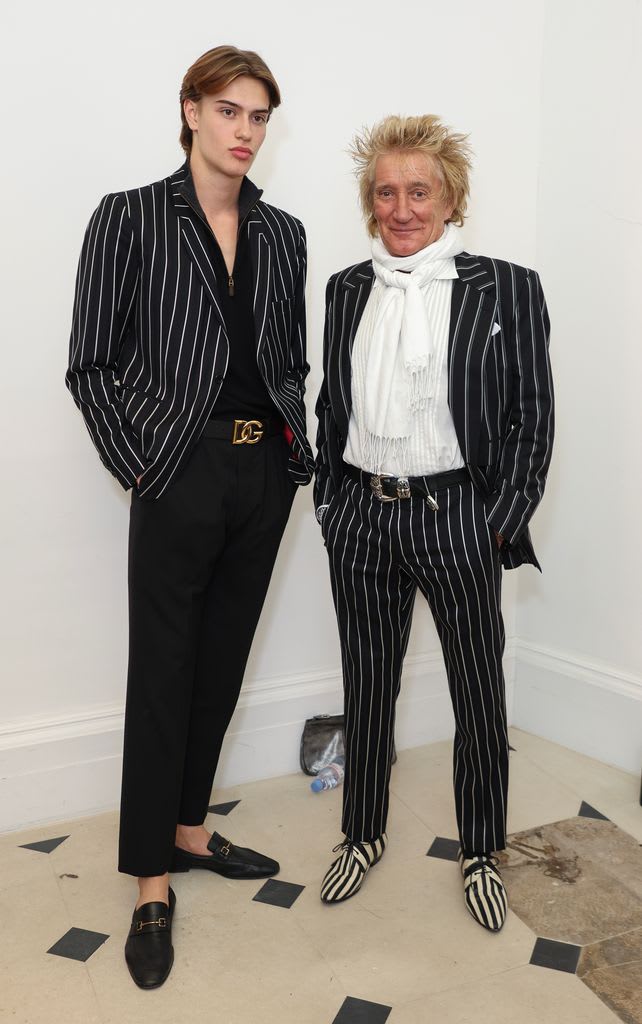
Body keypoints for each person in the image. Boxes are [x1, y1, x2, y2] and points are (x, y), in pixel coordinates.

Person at [66, 45, 313, 987]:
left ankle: (192, 830)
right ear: (191, 112)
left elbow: (289, 357)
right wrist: (147, 469)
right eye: (231, 111)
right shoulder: (129, 218)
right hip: (179, 469)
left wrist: (296, 451)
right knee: (163, 672)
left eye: (260, 117)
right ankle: (151, 882)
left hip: (265, 472)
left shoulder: (285, 232)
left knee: (222, 664)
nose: (246, 131)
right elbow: (91, 365)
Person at [314, 115, 553, 932]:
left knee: (477, 691)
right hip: (361, 511)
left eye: (419, 190)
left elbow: (531, 416)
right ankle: (361, 835)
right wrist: (328, 501)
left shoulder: (506, 287)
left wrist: (498, 519)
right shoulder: (347, 287)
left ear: (451, 197)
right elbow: (332, 402)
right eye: (386, 191)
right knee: (368, 686)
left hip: (459, 515)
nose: (402, 207)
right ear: (369, 201)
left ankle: (481, 850)